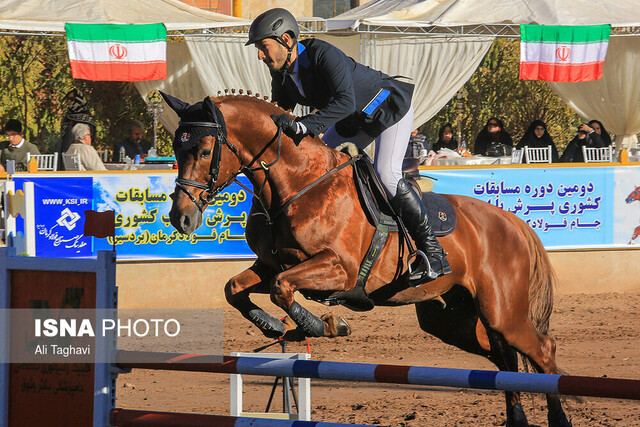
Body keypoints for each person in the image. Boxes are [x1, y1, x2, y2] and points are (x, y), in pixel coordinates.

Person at [246, 8, 450, 280]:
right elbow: (282, 114)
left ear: (286, 39)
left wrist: (305, 126)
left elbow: (345, 102)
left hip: (388, 110)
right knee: (320, 171)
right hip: (352, 123)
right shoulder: (280, 73)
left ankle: (433, 254)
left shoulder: (322, 54)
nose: (260, 55)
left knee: (386, 176)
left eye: (263, 47)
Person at [59, 89, 97, 169]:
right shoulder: (68, 116)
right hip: (65, 152)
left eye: (71, 99)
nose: (69, 101)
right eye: (68, 99)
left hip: (82, 156)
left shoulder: (86, 118)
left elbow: (88, 140)